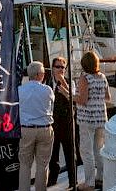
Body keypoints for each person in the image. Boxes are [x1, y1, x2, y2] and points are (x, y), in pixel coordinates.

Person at [76, 51, 110, 191]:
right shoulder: (102, 77)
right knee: (99, 150)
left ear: (84, 64)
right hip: (101, 118)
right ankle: (101, 178)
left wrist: (70, 96)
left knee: (86, 151)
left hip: (87, 119)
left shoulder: (85, 78)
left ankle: (89, 183)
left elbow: (83, 100)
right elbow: (107, 97)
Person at [18, 61, 55, 191]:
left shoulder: (19, 90)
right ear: (40, 75)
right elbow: (51, 106)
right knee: (43, 165)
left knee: (24, 164)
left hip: (26, 129)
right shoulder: (47, 90)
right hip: (45, 128)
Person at [47, 56, 76, 189]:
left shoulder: (70, 83)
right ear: (52, 69)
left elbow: (73, 98)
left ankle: (72, 180)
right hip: (52, 122)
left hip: (67, 121)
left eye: (62, 67)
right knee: (53, 152)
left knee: (70, 152)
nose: (60, 70)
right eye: (57, 67)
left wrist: (63, 82)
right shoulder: (47, 83)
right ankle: (53, 178)